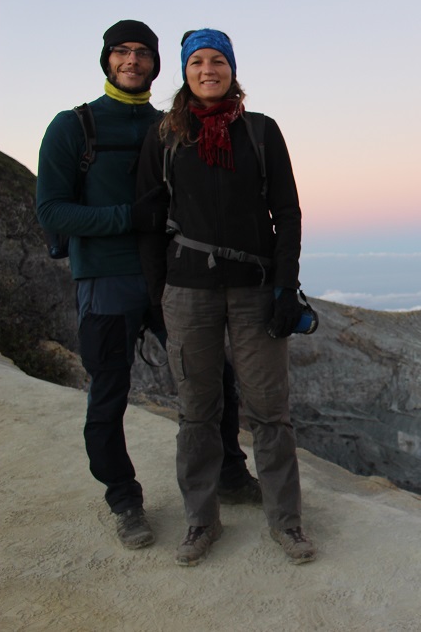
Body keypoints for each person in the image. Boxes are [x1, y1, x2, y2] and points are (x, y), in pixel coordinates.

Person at [36, 20, 262, 551]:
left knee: (213, 380)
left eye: (143, 53)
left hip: (169, 277)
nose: (132, 60)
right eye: (121, 51)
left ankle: (229, 474)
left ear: (157, 65)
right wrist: (127, 217)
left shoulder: (170, 125)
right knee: (108, 394)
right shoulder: (74, 126)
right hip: (106, 280)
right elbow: (52, 210)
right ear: (107, 60)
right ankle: (123, 499)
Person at [135, 28, 316, 566]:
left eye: (218, 60)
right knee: (196, 411)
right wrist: (156, 294)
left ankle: (286, 521)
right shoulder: (166, 136)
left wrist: (285, 287)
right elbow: (149, 220)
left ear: (232, 70)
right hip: (187, 290)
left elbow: (287, 212)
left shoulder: (260, 131)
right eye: (197, 61)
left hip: (255, 290)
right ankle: (200, 520)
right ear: (184, 71)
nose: (207, 69)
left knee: (269, 410)